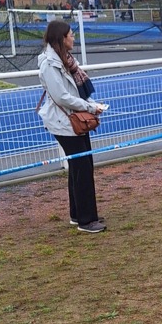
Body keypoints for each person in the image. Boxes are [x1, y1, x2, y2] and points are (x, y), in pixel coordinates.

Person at [37, 19, 108, 234]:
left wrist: (91, 105)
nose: (73, 38)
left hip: (72, 120)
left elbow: (73, 92)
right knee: (82, 168)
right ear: (62, 38)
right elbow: (62, 96)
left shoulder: (65, 59)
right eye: (70, 35)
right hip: (63, 122)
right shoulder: (50, 64)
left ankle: (78, 214)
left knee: (80, 166)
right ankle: (86, 220)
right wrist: (90, 107)